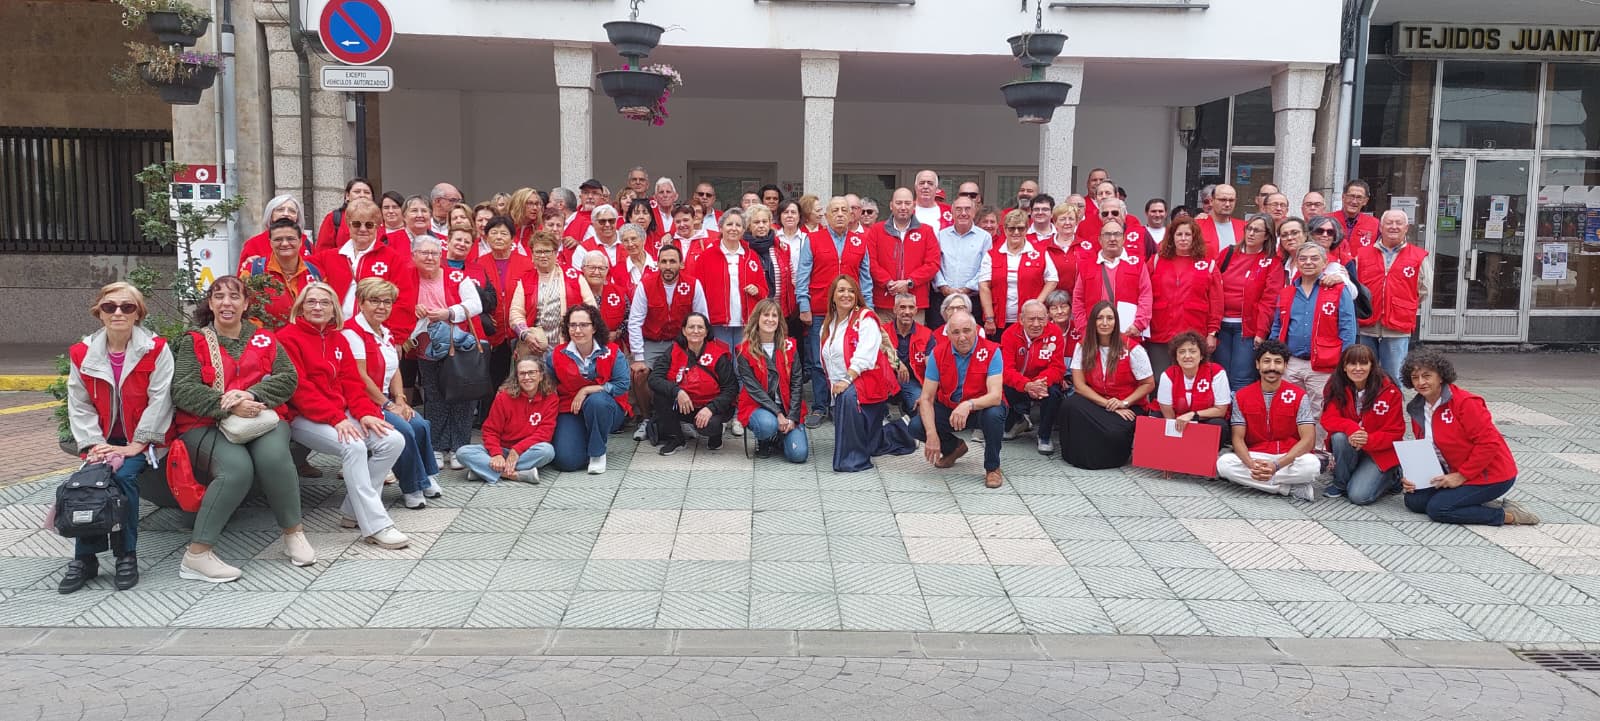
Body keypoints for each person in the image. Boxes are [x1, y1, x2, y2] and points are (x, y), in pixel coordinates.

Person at [166, 276, 311, 583]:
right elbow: (183, 389)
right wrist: (228, 405)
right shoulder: (195, 342)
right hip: (207, 423)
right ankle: (197, 555)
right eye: (218, 297)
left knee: (274, 458)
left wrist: (252, 395)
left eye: (234, 297)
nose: (226, 303)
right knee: (236, 470)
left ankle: (293, 534)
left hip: (262, 418)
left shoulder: (264, 339)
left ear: (246, 304)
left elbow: (288, 378)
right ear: (211, 303)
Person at [61, 282, 174, 593]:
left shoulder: (156, 349)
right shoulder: (83, 353)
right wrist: (94, 445)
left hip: (142, 442)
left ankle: (126, 555)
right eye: (110, 307)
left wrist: (138, 443)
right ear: (99, 313)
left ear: (139, 313)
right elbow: (79, 404)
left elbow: (160, 399)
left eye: (128, 307)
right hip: (102, 441)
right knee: (89, 482)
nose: (119, 312)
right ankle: (86, 559)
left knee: (123, 478)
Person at [277, 282, 409, 549]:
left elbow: (352, 382)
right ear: (301, 306)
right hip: (304, 417)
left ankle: (351, 510)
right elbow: (299, 389)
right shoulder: (287, 338)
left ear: (334, 308)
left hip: (340, 411)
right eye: (311, 301)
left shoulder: (338, 338)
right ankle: (376, 525)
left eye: (324, 302)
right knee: (354, 446)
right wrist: (337, 419)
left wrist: (365, 414)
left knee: (392, 440)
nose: (317, 307)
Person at [1400, 347, 1537, 525]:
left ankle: (1508, 515)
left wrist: (1461, 476)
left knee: (1438, 509)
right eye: (1415, 377)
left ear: (1441, 376)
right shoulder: (1417, 407)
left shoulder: (1465, 402)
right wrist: (1414, 478)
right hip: (1452, 469)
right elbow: (1426, 450)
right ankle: (1473, 501)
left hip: (1491, 474)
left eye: (1427, 376)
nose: (1420, 382)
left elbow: (1489, 443)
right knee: (1414, 501)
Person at [344, 278, 442, 510]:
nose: (381, 307)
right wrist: (389, 405)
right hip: (362, 402)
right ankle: (411, 486)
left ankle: (425, 476)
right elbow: (360, 377)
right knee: (404, 428)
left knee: (420, 424)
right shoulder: (352, 332)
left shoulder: (385, 331)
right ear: (361, 302)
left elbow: (395, 368)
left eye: (387, 302)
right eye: (375, 301)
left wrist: (401, 400)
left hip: (386, 399)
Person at [821, 275, 914, 472]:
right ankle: (903, 430)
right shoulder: (828, 325)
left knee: (848, 398)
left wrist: (847, 379)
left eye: (851, 291)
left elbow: (866, 354)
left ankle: (852, 461)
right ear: (833, 296)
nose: (846, 294)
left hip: (866, 385)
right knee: (873, 443)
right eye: (841, 290)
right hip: (843, 387)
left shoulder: (865, 318)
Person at [797, 197, 874, 428]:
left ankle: (842, 404)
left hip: (851, 310)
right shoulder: (813, 239)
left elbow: (866, 277)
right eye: (834, 210)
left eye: (844, 210)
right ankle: (820, 406)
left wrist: (867, 308)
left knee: (847, 357)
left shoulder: (860, 241)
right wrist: (804, 305)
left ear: (852, 215)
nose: (840, 214)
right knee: (819, 360)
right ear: (827, 216)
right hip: (820, 308)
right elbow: (803, 274)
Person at [1269, 241, 1356, 434]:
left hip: (1324, 364)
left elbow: (1348, 328)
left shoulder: (1338, 290)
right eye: (1303, 258)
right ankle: (1291, 448)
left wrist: (1344, 361)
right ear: (1297, 263)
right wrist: (1273, 356)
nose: (1308, 262)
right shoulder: (1286, 292)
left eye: (1314, 258)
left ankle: (1320, 454)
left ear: (1325, 263)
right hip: (1292, 362)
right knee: (1288, 407)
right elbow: (1278, 325)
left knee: (1321, 410)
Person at [1217, 340, 1319, 499]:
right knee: (1224, 464)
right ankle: (1287, 488)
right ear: (1257, 364)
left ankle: (1262, 482)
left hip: (1288, 457)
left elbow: (1308, 440)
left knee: (1312, 465)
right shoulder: (1242, 396)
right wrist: (1250, 464)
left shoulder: (1299, 396)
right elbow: (1238, 438)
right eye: (1266, 361)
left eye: (1278, 362)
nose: (1272, 367)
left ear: (1285, 366)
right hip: (1257, 456)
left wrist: (1277, 465)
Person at [627, 244, 709, 441]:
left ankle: (682, 418)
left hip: (681, 342)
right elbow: (635, 321)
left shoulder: (693, 284)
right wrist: (638, 357)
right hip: (653, 342)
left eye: (672, 261)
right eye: (663, 261)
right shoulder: (646, 285)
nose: (668, 266)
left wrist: (696, 350)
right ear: (657, 264)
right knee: (639, 373)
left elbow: (702, 318)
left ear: (681, 264)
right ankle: (647, 418)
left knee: (689, 373)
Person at [1059, 302, 1153, 469]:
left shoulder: (1132, 348)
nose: (1104, 323)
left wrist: (1123, 403)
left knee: (1113, 433)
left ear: (1116, 322)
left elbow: (1148, 384)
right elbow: (1079, 386)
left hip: (1128, 405)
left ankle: (1112, 455)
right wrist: (1110, 405)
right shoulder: (1083, 346)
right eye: (1099, 318)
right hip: (1098, 402)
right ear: (1093, 321)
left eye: (1109, 318)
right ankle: (1075, 455)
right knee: (1070, 404)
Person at [918, 310, 1007, 488]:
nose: (962, 337)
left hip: (981, 408)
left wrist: (969, 404)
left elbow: (996, 396)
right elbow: (926, 398)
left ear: (975, 330)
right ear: (948, 334)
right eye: (956, 332)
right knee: (916, 426)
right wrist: (931, 435)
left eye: (967, 331)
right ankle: (953, 448)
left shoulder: (992, 351)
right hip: (950, 408)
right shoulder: (938, 353)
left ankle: (992, 467)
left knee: (994, 415)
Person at [313, 198, 417, 342]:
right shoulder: (328, 258)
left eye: (369, 225)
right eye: (356, 224)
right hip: (335, 336)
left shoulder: (392, 258)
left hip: (376, 337)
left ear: (377, 227)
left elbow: (405, 301)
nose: (362, 229)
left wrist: (396, 338)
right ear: (348, 225)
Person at [548, 304, 631, 474]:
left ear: (594, 328)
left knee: (596, 401)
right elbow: (547, 388)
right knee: (567, 462)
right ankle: (583, 438)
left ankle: (597, 453)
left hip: (606, 409)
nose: (578, 330)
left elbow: (622, 385)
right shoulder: (556, 354)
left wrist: (586, 390)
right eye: (573, 325)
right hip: (571, 409)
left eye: (584, 325)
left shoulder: (613, 352)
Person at [1319, 344, 1404, 503]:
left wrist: (1367, 440)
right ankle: (1340, 484)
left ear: (1372, 366)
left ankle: (1393, 476)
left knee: (1358, 496)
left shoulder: (1389, 390)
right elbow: (1328, 418)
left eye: (1363, 363)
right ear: (1344, 367)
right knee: (1338, 437)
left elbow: (1396, 431)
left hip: (1380, 451)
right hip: (1353, 445)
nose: (1358, 368)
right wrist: (1352, 429)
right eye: (1352, 364)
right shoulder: (1335, 385)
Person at [1356, 209, 1431, 384]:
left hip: (1398, 326)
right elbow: (1355, 287)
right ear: (1381, 227)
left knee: (1395, 377)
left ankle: (1393, 410)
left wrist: (1400, 304)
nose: (1394, 227)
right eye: (1389, 223)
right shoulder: (1362, 254)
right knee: (1363, 376)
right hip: (1367, 326)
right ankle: (1365, 410)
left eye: (1399, 223)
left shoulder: (1419, 256)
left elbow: (1424, 289)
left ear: (1406, 228)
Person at [457, 357, 558, 484]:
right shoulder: (504, 397)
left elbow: (544, 433)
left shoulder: (550, 397)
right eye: (522, 373)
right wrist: (496, 454)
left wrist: (517, 450)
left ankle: (485, 471)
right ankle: (516, 475)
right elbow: (490, 430)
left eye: (531, 372)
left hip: (526, 451)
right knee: (462, 452)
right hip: (502, 448)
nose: (527, 377)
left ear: (541, 375)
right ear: (517, 377)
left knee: (547, 451)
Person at [648, 313, 737, 455]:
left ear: (707, 331)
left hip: (711, 407)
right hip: (685, 404)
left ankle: (715, 435)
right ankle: (676, 439)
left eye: (700, 327)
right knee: (660, 394)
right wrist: (677, 391)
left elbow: (731, 389)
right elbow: (654, 378)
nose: (695, 331)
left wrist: (711, 408)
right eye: (691, 327)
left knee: (710, 426)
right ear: (684, 330)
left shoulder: (719, 354)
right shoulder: (674, 351)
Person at [736, 298, 809, 462]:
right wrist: (777, 414)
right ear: (757, 318)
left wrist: (792, 417)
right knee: (767, 425)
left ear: (779, 320)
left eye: (774, 316)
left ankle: (779, 438)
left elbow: (797, 384)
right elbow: (754, 390)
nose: (770, 319)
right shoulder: (744, 350)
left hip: (788, 406)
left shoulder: (790, 346)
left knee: (799, 456)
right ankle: (765, 438)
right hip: (758, 406)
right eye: (766, 315)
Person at [1146, 218, 1222, 375]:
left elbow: (1216, 302)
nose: (1183, 238)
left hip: (1194, 334)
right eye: (1179, 234)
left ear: (1195, 238)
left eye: (1188, 234)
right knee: (1160, 379)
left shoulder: (1208, 264)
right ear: (1171, 237)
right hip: (1160, 333)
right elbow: (1143, 294)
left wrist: (1212, 333)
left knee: (1192, 380)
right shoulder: (1156, 261)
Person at [691, 209, 769, 354]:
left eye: (738, 225)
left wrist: (757, 289)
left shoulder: (751, 256)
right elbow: (697, 291)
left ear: (744, 229)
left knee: (743, 361)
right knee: (723, 360)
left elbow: (764, 290)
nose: (734, 228)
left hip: (746, 321)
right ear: (721, 228)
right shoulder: (706, 256)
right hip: (717, 321)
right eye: (729, 224)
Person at [1215, 214, 1278, 392]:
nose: (1250, 233)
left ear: (1267, 236)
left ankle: (1238, 419)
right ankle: (1220, 417)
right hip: (1221, 326)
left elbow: (1269, 299)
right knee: (1221, 377)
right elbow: (1211, 287)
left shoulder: (1271, 262)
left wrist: (1261, 331)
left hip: (1247, 329)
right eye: (1248, 229)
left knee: (1241, 378)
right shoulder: (1228, 253)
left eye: (1256, 230)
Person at [999, 300, 1067, 455]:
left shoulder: (1055, 333)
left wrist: (1039, 382)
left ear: (1047, 318)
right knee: (1000, 386)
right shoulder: (1009, 334)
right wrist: (1027, 385)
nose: (1036, 324)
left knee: (1054, 393)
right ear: (1021, 319)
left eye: (1041, 319)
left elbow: (1058, 367)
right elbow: (1006, 370)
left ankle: (1044, 435)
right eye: (1031, 319)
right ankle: (1018, 421)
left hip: (1043, 383)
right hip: (1019, 382)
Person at [510, 230, 592, 357]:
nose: (543, 255)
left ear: (555, 253)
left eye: (547, 251)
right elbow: (516, 312)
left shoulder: (573, 276)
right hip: (536, 346)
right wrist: (525, 334)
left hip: (570, 345)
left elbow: (591, 308)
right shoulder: (525, 281)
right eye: (538, 252)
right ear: (532, 254)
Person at [1070, 218, 1152, 343]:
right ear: (1100, 240)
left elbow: (1145, 296)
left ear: (1124, 238)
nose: (1112, 238)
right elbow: (1078, 300)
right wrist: (1084, 329)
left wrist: (1139, 324)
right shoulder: (1086, 266)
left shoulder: (1137, 264)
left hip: (1128, 334)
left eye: (1117, 234)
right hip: (1094, 336)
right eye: (1107, 234)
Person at [980, 209, 1058, 337]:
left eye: (1020, 228)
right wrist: (989, 318)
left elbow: (1052, 279)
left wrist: (1037, 304)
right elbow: (984, 286)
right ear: (1004, 230)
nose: (1016, 232)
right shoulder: (992, 254)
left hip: (1031, 321)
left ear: (1027, 229)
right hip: (998, 321)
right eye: (1011, 228)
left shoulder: (1040, 252)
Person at [868, 187, 943, 321]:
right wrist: (888, 282)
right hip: (885, 302)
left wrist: (909, 282)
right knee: (885, 342)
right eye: (899, 203)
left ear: (913, 205)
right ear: (891, 205)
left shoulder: (926, 231)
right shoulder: (876, 231)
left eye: (907, 203)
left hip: (914, 303)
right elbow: (871, 262)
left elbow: (933, 263)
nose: (903, 207)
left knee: (916, 341)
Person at [240, 218, 324, 329]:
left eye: (290, 239)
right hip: (268, 342)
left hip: (306, 342)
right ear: (270, 242)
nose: (284, 243)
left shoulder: (315, 273)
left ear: (300, 242)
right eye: (278, 239)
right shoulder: (253, 271)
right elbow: (240, 309)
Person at [1153, 331, 1231, 447]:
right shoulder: (1168, 375)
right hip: (1176, 419)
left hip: (1203, 419)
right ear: (1176, 357)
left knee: (1219, 424)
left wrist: (1192, 415)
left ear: (1201, 356)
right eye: (1182, 352)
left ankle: (1203, 456)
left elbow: (1221, 410)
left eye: (1193, 351)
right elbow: (1167, 413)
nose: (1187, 356)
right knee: (1155, 419)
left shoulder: (1216, 372)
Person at [934, 195, 989, 329]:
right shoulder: (940, 235)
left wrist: (967, 288)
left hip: (973, 299)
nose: (963, 213)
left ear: (974, 212)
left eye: (967, 209)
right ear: (952, 212)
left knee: (968, 338)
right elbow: (934, 264)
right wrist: (944, 287)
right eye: (958, 209)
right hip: (943, 298)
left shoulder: (984, 237)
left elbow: (985, 268)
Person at [887, 293, 937, 426]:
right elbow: (877, 358)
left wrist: (925, 396)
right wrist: (898, 363)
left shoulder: (927, 334)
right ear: (895, 309)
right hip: (884, 381)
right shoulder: (882, 331)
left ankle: (905, 410)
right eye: (902, 307)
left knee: (923, 411)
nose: (907, 312)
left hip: (912, 382)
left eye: (911, 307)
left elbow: (931, 368)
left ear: (916, 310)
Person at [238, 194, 311, 271]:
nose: (286, 214)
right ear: (270, 215)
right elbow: (240, 280)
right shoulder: (254, 244)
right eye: (280, 210)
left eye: (292, 211)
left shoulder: (306, 243)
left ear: (297, 217)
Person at [580, 253, 630, 344]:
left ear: (607, 271)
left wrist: (618, 333)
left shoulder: (618, 293)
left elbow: (629, 318)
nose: (596, 272)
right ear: (583, 269)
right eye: (592, 267)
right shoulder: (574, 292)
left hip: (613, 347)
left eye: (601, 268)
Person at [313, 177, 373, 252]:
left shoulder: (378, 219)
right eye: (357, 192)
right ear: (347, 196)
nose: (362, 195)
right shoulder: (333, 218)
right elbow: (322, 252)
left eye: (367, 192)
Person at [1327, 179, 1380, 252]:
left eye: (1359, 197)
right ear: (1343, 197)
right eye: (1351, 196)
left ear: (1365, 201)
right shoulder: (1327, 220)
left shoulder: (1375, 224)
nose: (1354, 201)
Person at [1195, 183, 1242, 254]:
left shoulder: (1244, 227)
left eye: (1231, 200)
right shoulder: (1196, 225)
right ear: (1211, 201)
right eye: (1223, 200)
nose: (1227, 204)